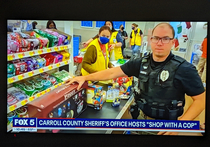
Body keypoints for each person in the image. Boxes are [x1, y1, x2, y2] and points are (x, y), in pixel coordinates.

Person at [66, 23, 205, 135]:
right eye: (156, 38)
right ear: (151, 40)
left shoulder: (184, 69)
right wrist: (84, 77)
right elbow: (111, 73)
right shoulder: (140, 63)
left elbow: (201, 100)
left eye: (166, 38)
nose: (160, 43)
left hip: (166, 127)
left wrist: (180, 125)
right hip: (140, 121)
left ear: (173, 42)